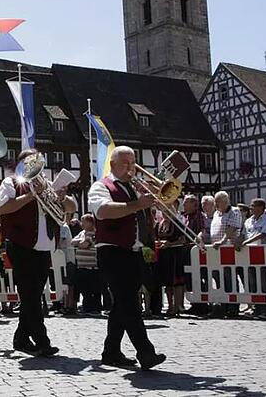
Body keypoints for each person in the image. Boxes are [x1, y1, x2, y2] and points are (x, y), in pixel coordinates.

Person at [88, 146, 166, 370]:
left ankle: (111, 352)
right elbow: (102, 211)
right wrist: (137, 204)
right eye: (125, 163)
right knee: (130, 305)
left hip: (133, 251)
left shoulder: (134, 187)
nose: (131, 168)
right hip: (112, 251)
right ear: (112, 164)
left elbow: (148, 212)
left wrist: (153, 200)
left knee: (122, 305)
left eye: (133, 163)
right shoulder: (101, 186)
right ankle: (146, 353)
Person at [0, 148, 76, 353]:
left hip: (45, 246)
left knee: (32, 294)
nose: (37, 166)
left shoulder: (48, 185)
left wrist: (62, 197)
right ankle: (42, 341)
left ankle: (21, 339)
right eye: (32, 162)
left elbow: (71, 207)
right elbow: (3, 208)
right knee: (31, 296)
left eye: (39, 162)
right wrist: (31, 196)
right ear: (21, 164)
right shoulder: (11, 182)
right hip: (20, 243)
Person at [71, 214, 101, 314]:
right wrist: (80, 241)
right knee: (84, 289)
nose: (81, 223)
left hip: (92, 266)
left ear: (90, 222)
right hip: (81, 266)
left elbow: (85, 245)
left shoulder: (94, 234)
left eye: (83, 221)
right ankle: (87, 307)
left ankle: (95, 308)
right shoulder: (82, 233)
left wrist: (80, 243)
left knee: (93, 289)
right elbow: (72, 241)